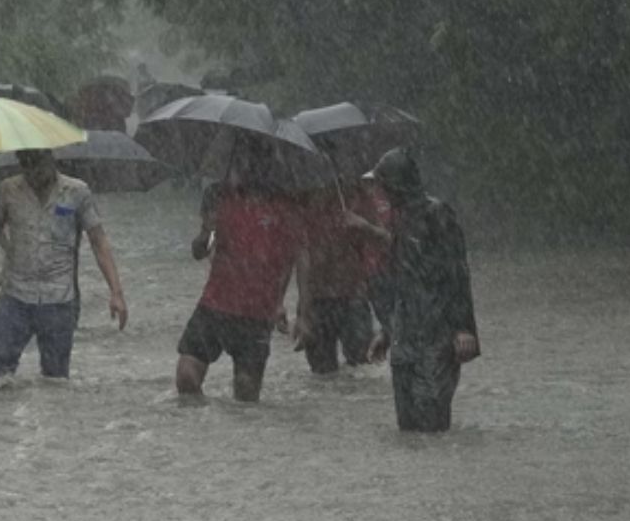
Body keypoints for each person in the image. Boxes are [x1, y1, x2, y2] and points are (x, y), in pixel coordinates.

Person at [176, 134, 312, 403]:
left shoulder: (286, 205)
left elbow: (298, 258)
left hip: (257, 313)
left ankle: (240, 443)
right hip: (215, 304)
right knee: (186, 377)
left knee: (246, 396)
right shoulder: (217, 195)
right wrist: (206, 231)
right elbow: (198, 251)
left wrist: (302, 312)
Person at [0, 149, 128, 380]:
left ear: (51, 159)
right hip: (14, 296)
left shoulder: (77, 192)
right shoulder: (7, 190)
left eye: (37, 162)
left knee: (56, 381)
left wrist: (116, 293)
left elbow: (99, 242)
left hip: (59, 300)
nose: (33, 171)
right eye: (26, 164)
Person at [364, 148, 479, 432]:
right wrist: (387, 332)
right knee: (408, 430)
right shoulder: (399, 220)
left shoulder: (437, 214)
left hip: (437, 337)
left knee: (432, 423)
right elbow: (401, 282)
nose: (378, 192)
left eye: (381, 185)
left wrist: (463, 328)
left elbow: (457, 273)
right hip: (405, 337)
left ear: (394, 186)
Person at [294, 178, 391, 374]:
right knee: (321, 373)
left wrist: (364, 226)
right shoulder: (306, 202)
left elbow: (389, 242)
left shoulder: (358, 198)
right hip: (318, 300)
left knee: (362, 368)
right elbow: (302, 260)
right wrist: (302, 314)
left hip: (354, 296)